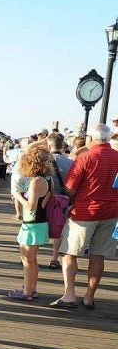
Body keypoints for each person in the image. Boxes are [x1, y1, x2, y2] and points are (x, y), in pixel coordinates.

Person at [51, 124, 118, 309]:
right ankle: (89, 296)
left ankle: (69, 294)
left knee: (70, 252)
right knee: (98, 255)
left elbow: (70, 188)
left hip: (85, 212)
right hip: (112, 212)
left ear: (92, 139)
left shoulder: (85, 157)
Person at [8, 146, 53, 301]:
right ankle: (32, 288)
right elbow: (44, 203)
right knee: (33, 260)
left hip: (31, 224)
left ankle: (27, 292)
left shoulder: (36, 181)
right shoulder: (48, 179)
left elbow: (31, 206)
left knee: (27, 260)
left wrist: (17, 196)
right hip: (40, 223)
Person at [47, 132, 73, 270]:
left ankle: (31, 255)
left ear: (49, 144)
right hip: (62, 200)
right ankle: (54, 258)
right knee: (60, 229)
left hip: (45, 198)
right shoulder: (70, 162)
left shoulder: (43, 160)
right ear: (62, 145)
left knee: (40, 226)